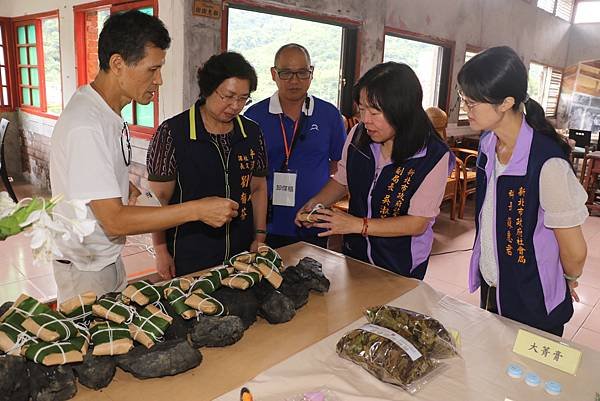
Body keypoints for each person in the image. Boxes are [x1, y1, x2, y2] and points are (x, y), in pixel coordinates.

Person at [50, 11, 238, 302]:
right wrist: (197, 210)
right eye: (153, 69)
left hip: (104, 257)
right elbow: (114, 221)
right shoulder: (86, 124)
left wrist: (123, 186)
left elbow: (94, 178)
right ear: (118, 64)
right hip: (86, 269)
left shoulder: (106, 112)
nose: (159, 80)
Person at [458, 46, 588, 336]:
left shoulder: (547, 163)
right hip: (494, 285)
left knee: (528, 378)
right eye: (463, 99)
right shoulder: (488, 144)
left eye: (472, 102)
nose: (465, 109)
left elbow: (575, 251)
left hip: (533, 299)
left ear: (505, 103)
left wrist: (565, 278)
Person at [295, 62, 454, 280]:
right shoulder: (359, 136)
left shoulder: (433, 155)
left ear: (402, 110)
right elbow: (342, 180)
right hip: (355, 255)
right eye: (361, 109)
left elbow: (418, 223)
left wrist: (356, 225)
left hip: (401, 264)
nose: (365, 119)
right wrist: (315, 203)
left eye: (375, 111)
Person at [147, 52, 268, 278]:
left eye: (243, 98)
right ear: (208, 89)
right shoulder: (173, 133)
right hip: (189, 252)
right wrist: (161, 250)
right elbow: (158, 199)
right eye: (229, 96)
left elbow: (258, 187)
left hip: (241, 253)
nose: (235, 106)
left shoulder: (252, 132)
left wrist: (259, 237)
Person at [245, 43, 346, 249]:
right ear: (273, 74)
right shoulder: (253, 117)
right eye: (286, 73)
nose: (294, 81)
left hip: (313, 221)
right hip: (267, 223)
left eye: (302, 73)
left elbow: (339, 165)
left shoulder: (329, 115)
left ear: (311, 73)